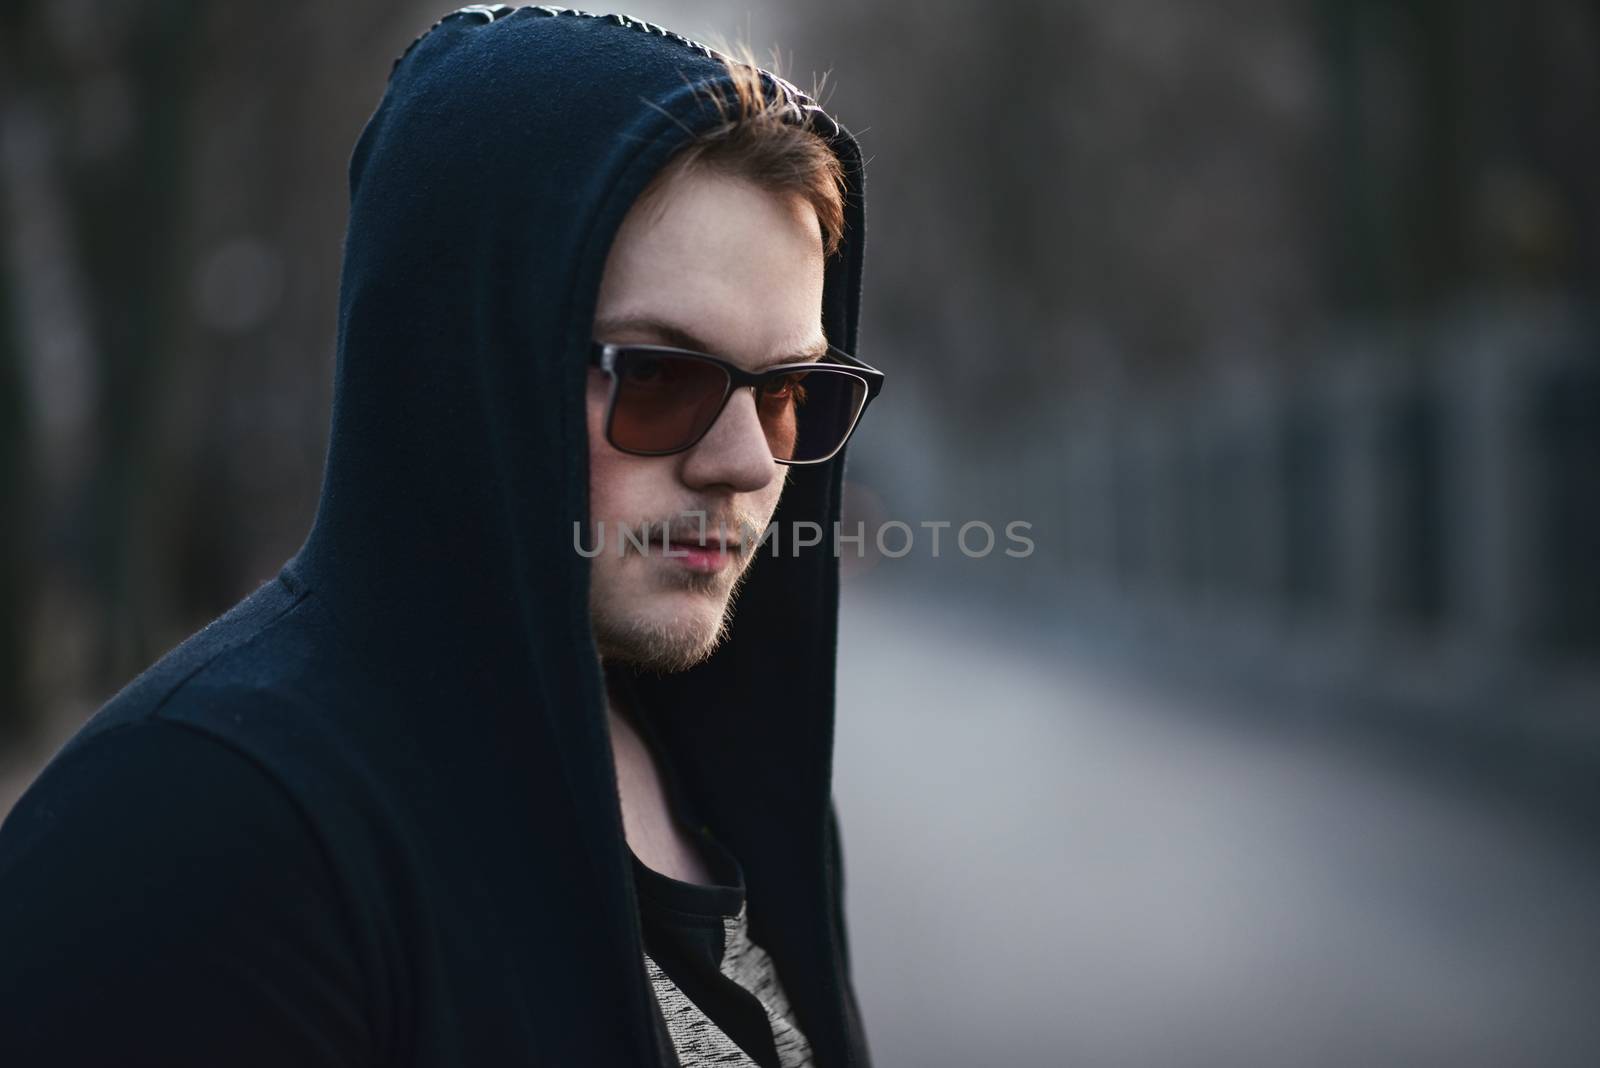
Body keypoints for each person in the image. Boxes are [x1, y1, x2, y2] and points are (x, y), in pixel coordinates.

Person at [0, 7, 882, 1067]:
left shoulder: (708, 766)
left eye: (787, 390)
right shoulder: (197, 834)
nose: (745, 462)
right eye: (657, 375)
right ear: (460, 366)